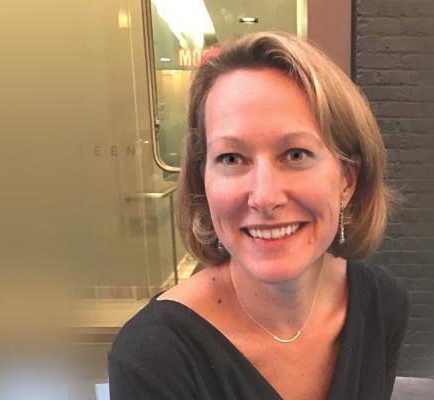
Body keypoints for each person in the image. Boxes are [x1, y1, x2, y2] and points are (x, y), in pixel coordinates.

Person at [108, 31, 409, 400]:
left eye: (296, 154)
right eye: (232, 158)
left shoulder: (381, 305)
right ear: (203, 181)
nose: (264, 198)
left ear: (347, 180)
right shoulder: (153, 358)